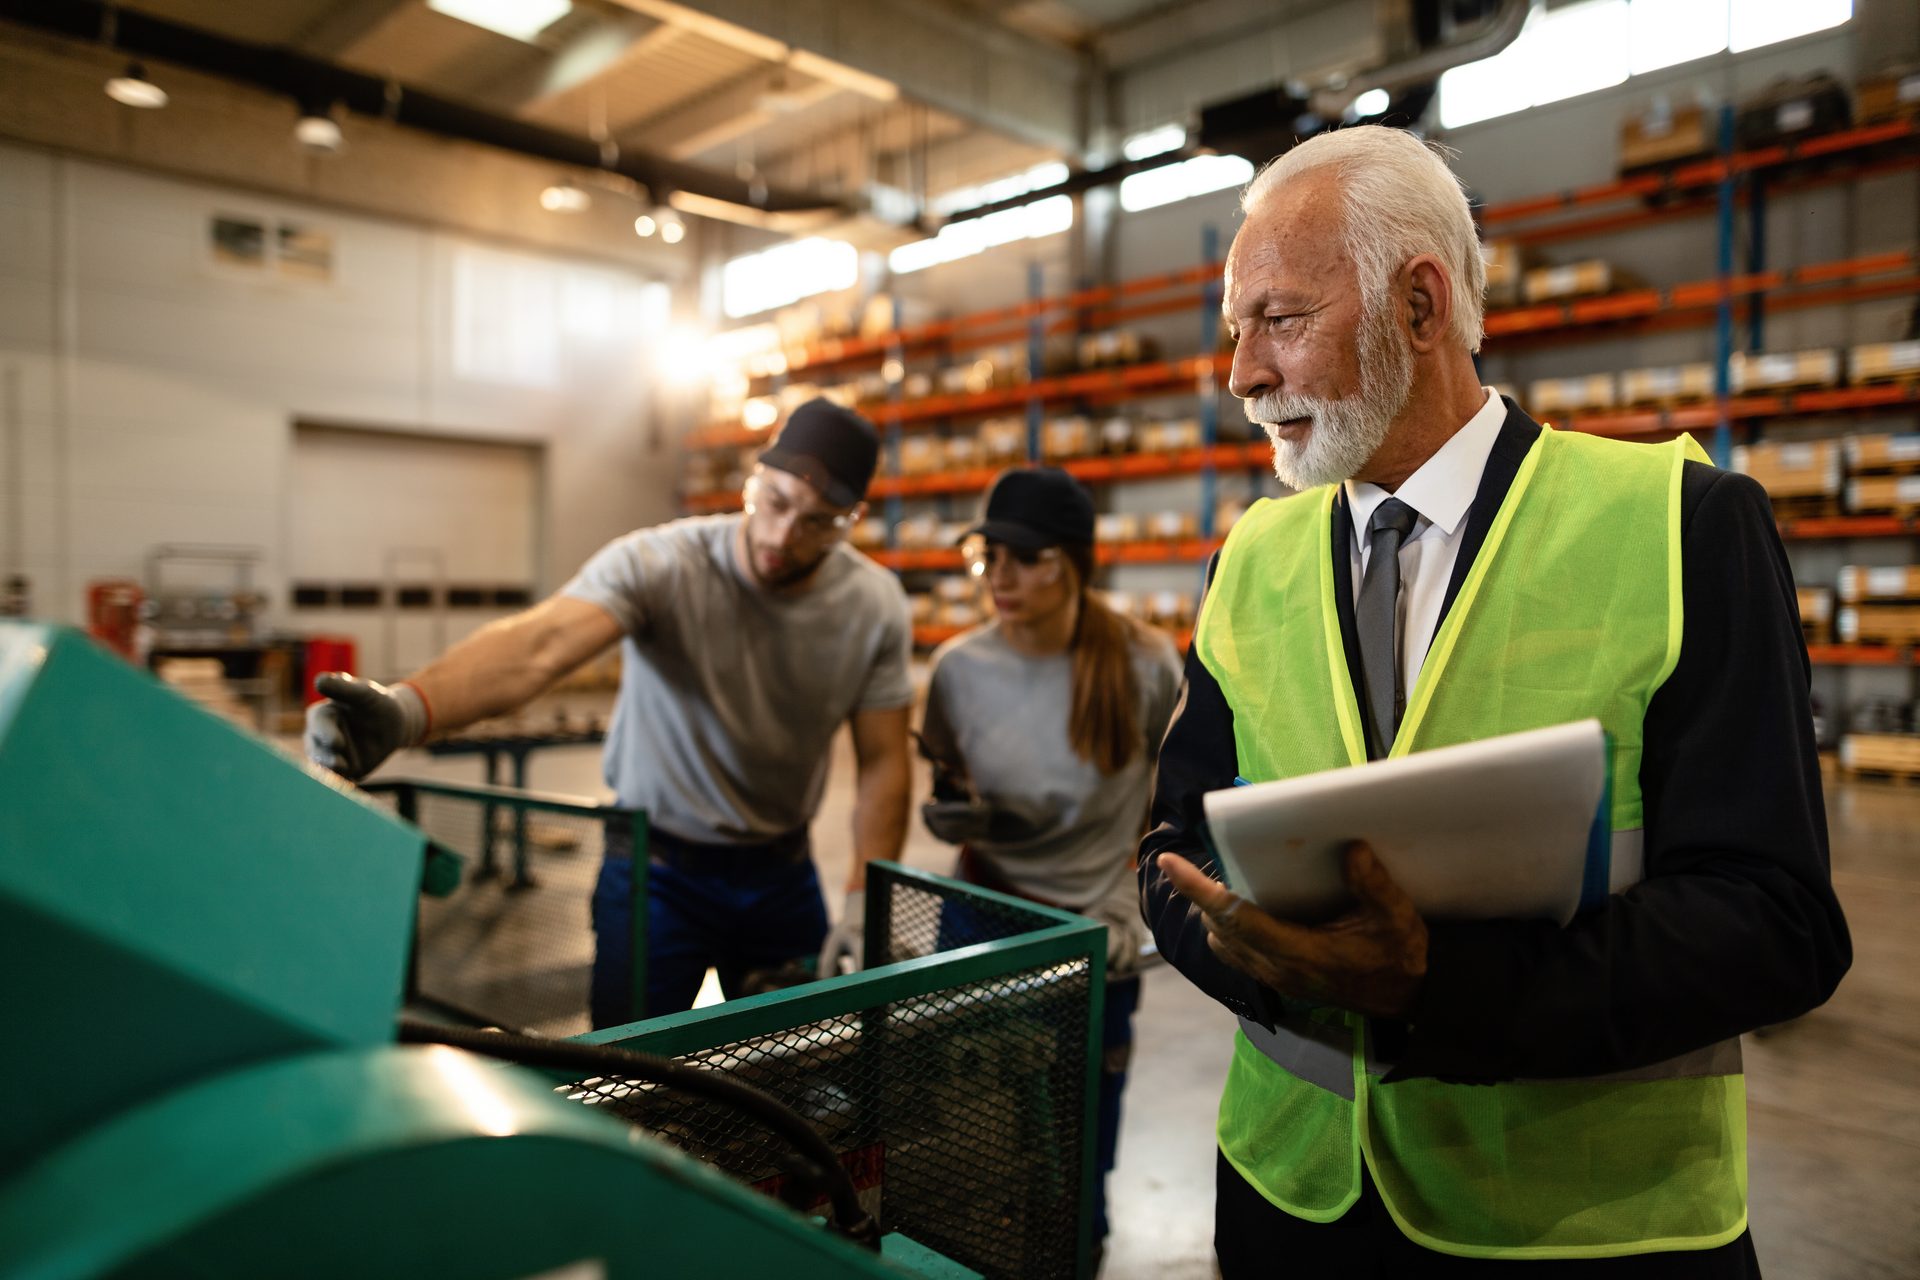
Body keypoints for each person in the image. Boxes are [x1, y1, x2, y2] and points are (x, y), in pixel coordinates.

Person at [1138, 125, 1851, 1276]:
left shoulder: (1681, 525)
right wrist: (1265, 957)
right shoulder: (1251, 559)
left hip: (1579, 1234)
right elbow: (1171, 844)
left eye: (1279, 319)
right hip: (1292, 1207)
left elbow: (1779, 921)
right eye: (1236, 330)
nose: (1244, 375)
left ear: (1420, 307)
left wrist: (1438, 990)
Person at [307, 398, 914, 1027]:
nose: (783, 537)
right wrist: (409, 710)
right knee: (632, 1070)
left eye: (818, 522)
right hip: (654, 869)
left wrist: (863, 900)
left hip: (781, 874)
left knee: (804, 1064)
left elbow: (883, 762)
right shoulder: (663, 565)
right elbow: (540, 648)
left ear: (852, 521)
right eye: (778, 502)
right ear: (751, 483)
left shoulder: (872, 606)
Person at [917, 466, 1181, 1264]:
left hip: (1092, 930)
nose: (997, 576)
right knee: (960, 1143)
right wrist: (960, 812)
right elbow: (947, 777)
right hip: (981, 913)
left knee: (1076, 1150)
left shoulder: (1143, 665)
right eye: (985, 554)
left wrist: (1128, 900)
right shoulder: (959, 671)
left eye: (1021, 557)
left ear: (1069, 562)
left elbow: (1167, 807)